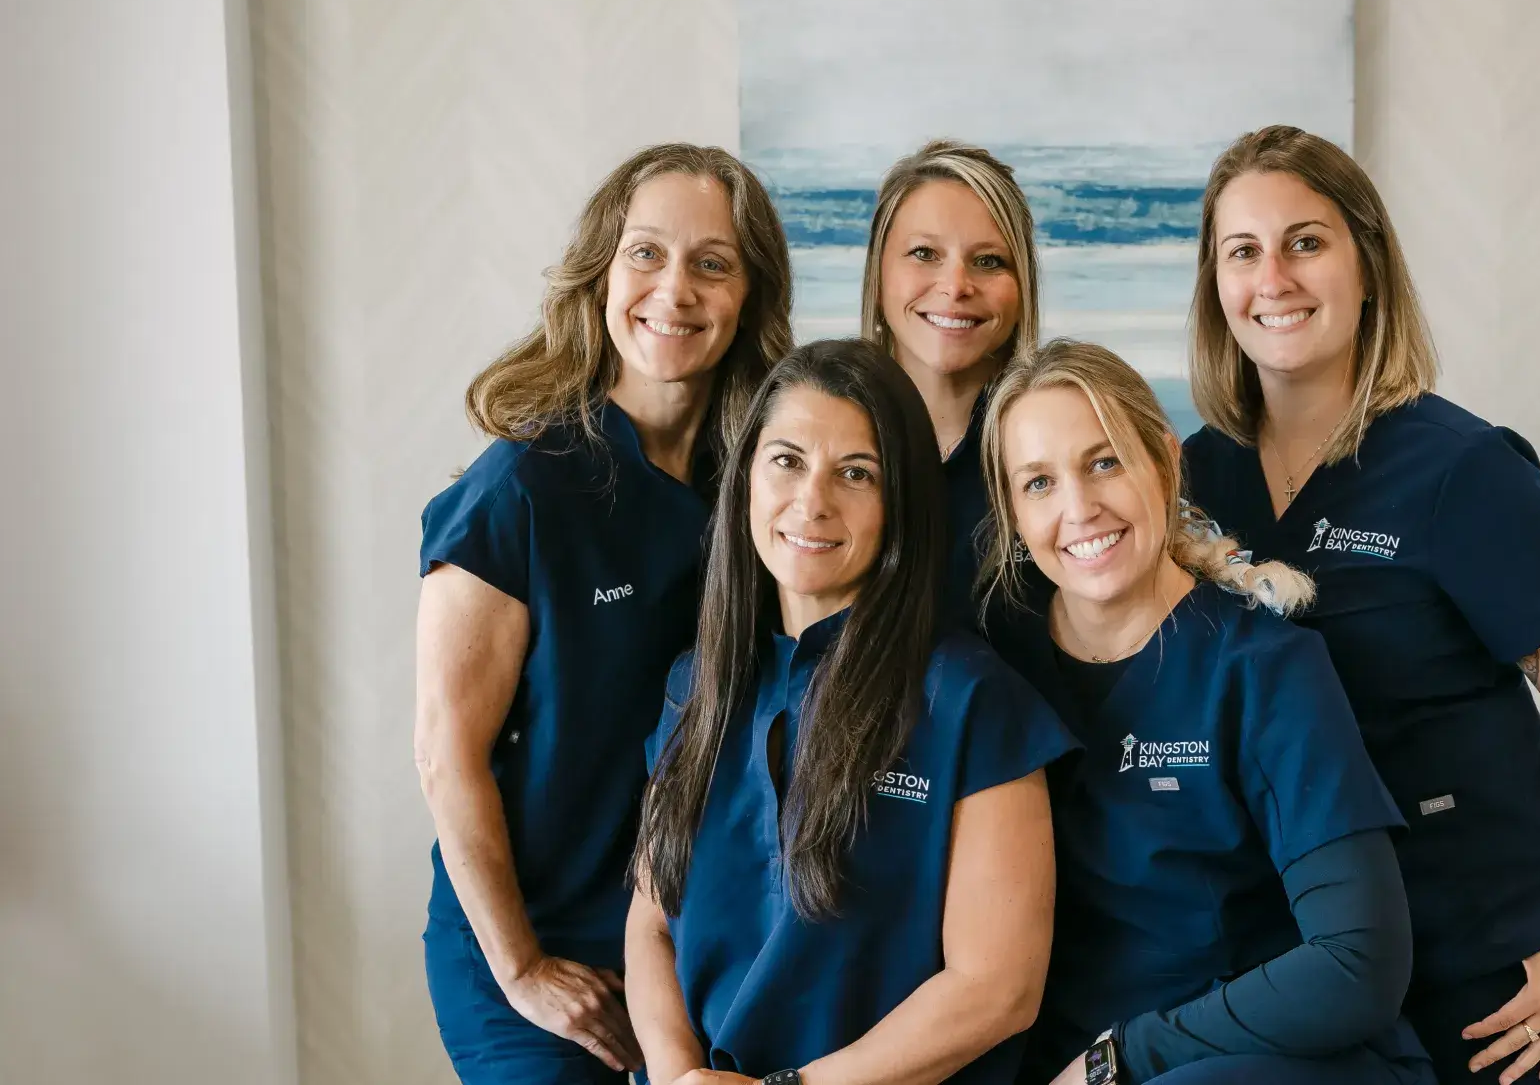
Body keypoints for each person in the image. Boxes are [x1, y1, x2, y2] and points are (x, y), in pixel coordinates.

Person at [1179, 125, 1540, 1085]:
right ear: (1216, 286)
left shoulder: (1460, 471)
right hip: (1303, 957)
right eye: (1243, 252)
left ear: (1367, 263)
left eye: (1306, 242)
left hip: (1485, 961)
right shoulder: (1194, 478)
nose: (1274, 277)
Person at [413, 143, 793, 1083]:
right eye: (646, 254)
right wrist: (523, 970)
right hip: (538, 949)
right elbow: (444, 752)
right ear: (601, 273)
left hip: (694, 947)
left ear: (750, 297)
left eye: (713, 263)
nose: (676, 289)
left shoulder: (762, 486)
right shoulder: (521, 492)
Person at [978, 341, 1435, 1085]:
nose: (1078, 508)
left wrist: (1121, 1057)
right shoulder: (993, 664)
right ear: (1011, 511)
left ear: (1164, 461)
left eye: (1104, 463)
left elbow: (1360, 963)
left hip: (1263, 1063)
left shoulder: (1264, 667)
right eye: (1038, 482)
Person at [624, 340, 1078, 1085]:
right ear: (745, 479)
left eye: (856, 474)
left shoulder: (969, 699)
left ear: (899, 503)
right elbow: (649, 927)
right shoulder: (694, 687)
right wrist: (680, 1077)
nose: (813, 501)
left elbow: (998, 990)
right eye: (787, 460)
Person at [860, 139, 1041, 612]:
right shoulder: (817, 435)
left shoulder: (1063, 439)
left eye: (988, 261)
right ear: (878, 279)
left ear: (1022, 290)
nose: (956, 286)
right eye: (923, 253)